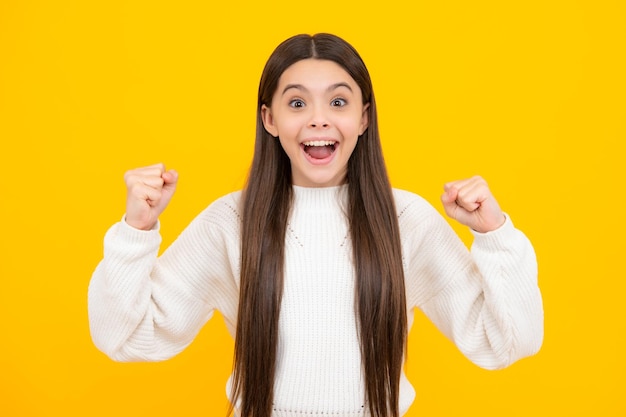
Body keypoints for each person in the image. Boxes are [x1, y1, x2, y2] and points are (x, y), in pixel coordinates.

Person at [88, 33, 543, 417]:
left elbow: (506, 343)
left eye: (339, 101)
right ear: (270, 118)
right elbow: (123, 338)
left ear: (364, 118)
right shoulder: (231, 223)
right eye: (298, 102)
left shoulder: (407, 221)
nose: (319, 118)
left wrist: (495, 234)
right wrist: (136, 232)